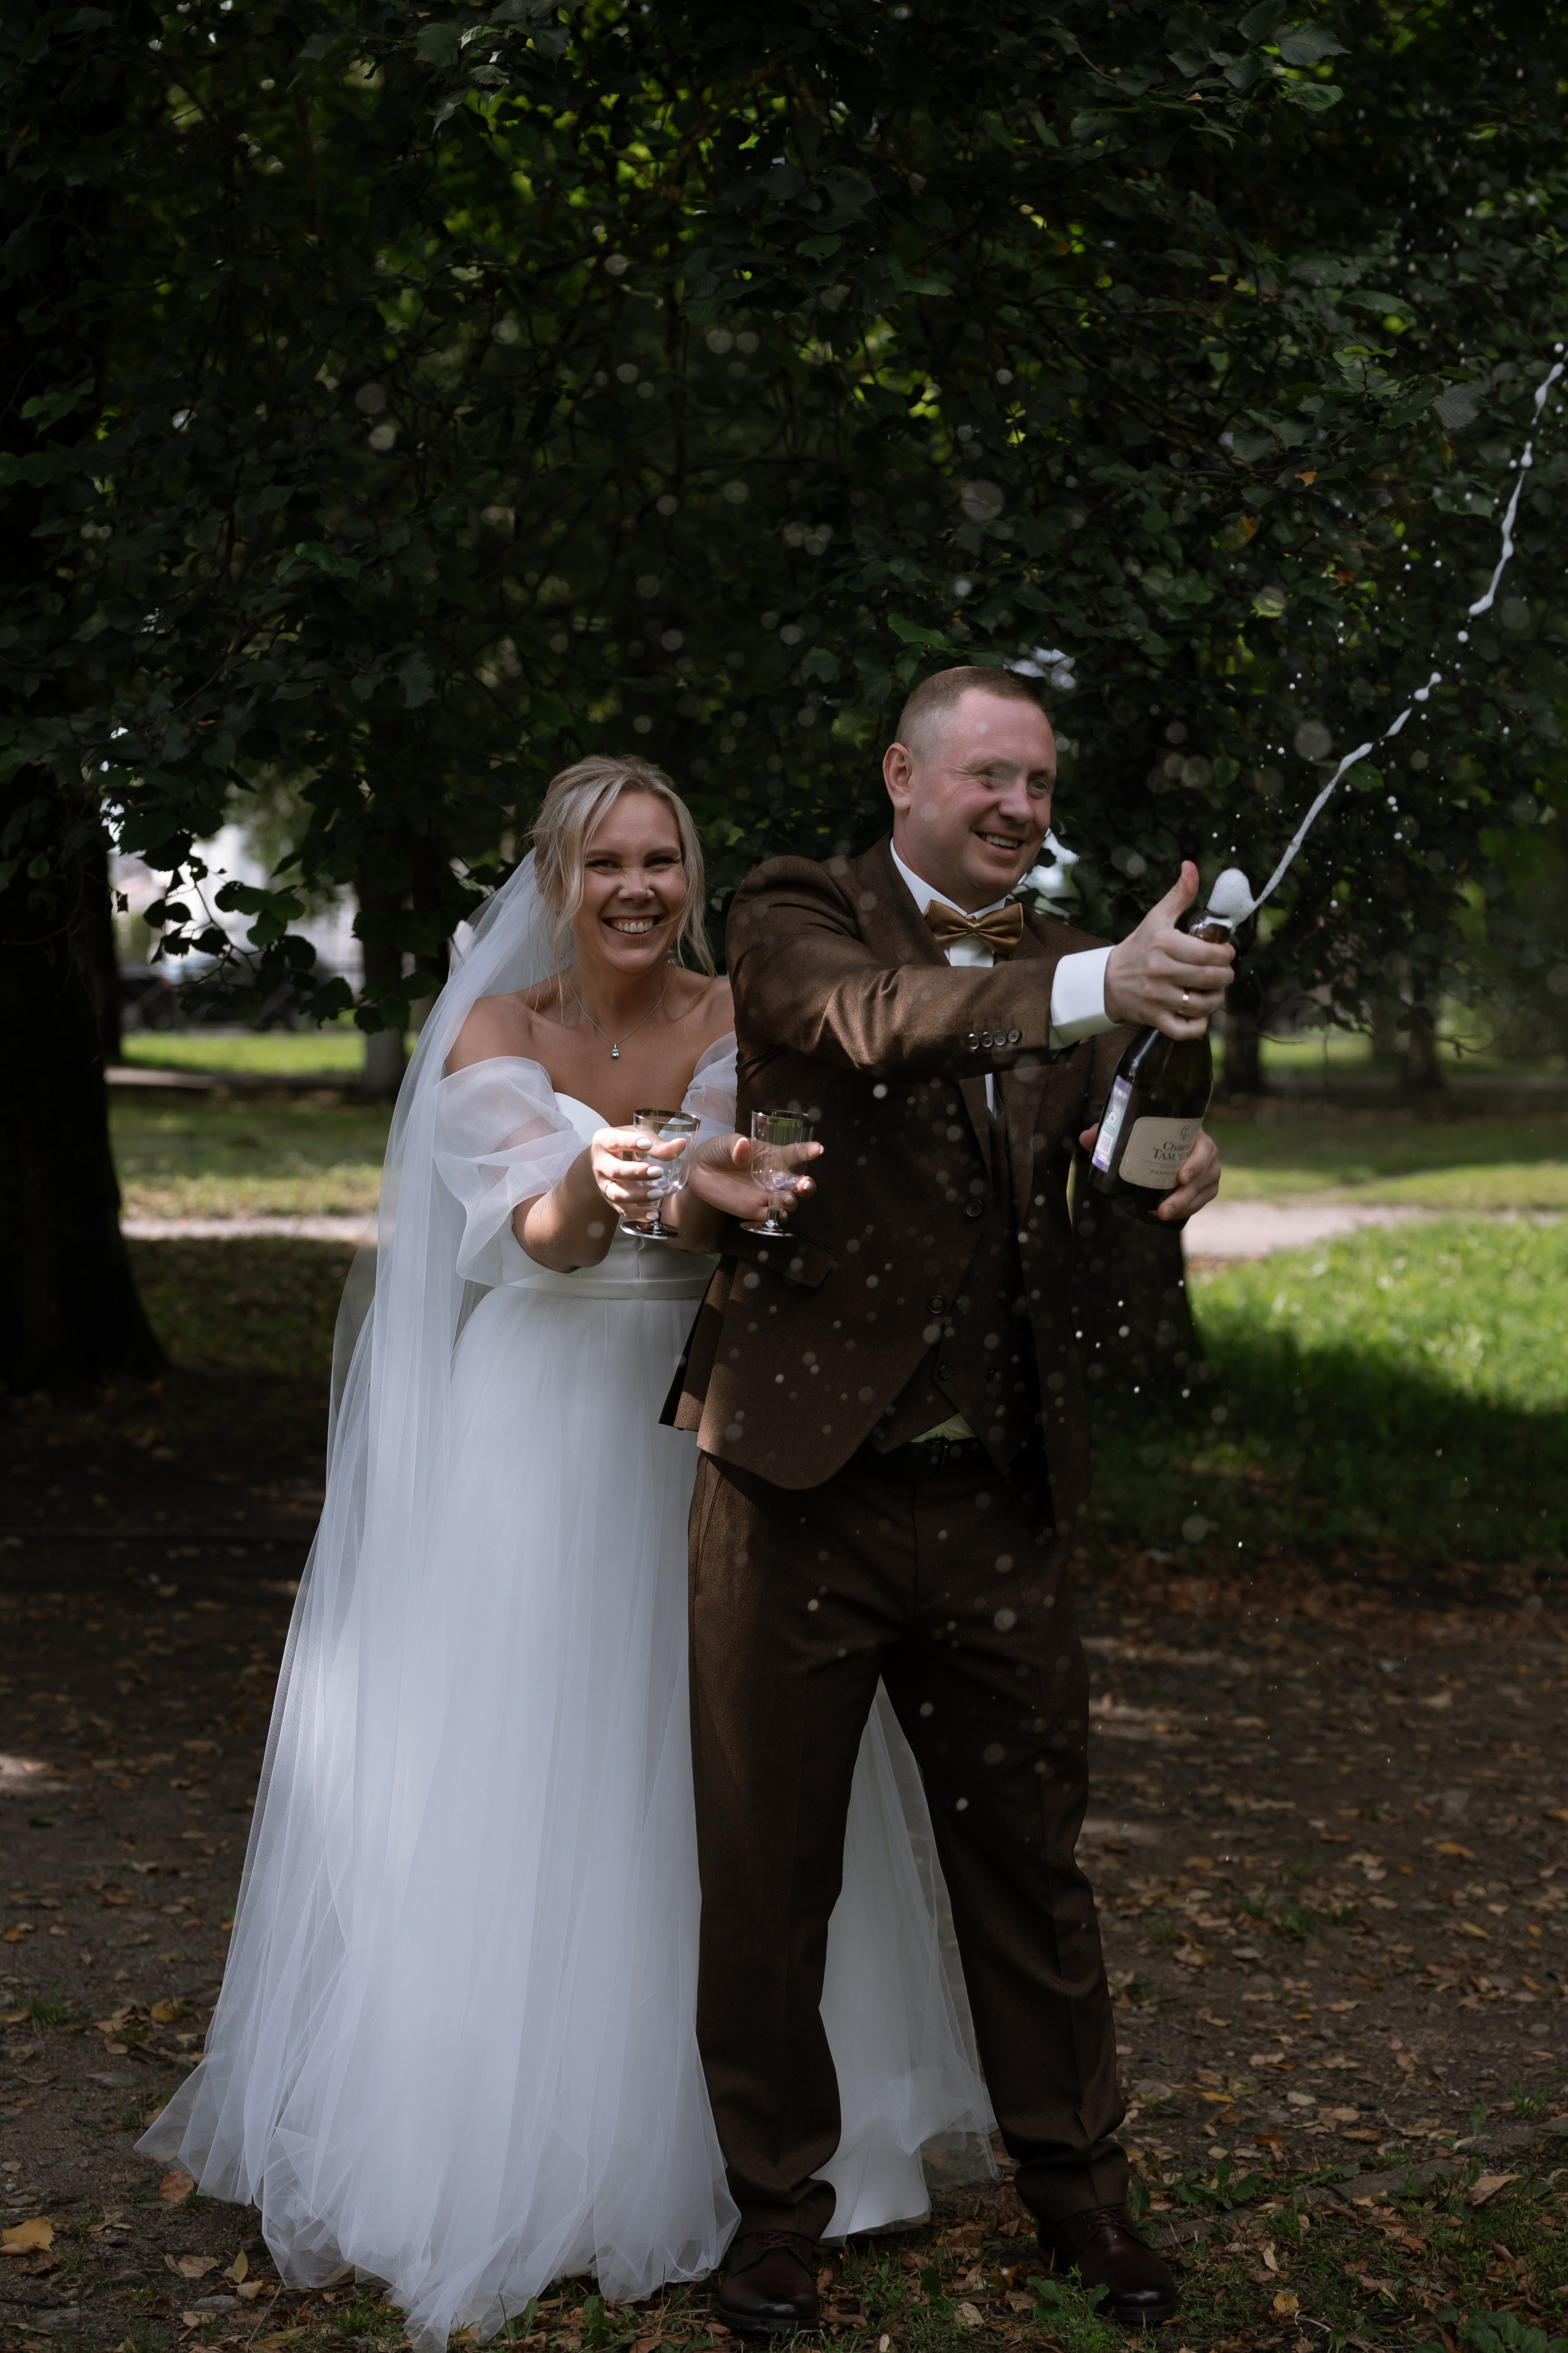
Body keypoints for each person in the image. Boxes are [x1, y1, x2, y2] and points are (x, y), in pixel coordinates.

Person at [140, 755, 993, 2351]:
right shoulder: (497, 1040)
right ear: (556, 874)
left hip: (708, 1435)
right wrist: (599, 1189)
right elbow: (539, 1230)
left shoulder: (743, 1024)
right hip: (536, 1435)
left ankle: (768, 2151)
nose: (638, 887)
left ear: (692, 871)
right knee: (534, 1762)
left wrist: (712, 1190)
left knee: (724, 1767)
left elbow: (772, 1195)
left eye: (662, 857)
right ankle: (525, 2143)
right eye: (607, 860)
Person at [666, 667, 1232, 2334]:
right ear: (905, 773)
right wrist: (1084, 981)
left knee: (1034, 1863)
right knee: (770, 1870)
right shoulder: (793, 913)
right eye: (990, 773)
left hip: (999, 1491)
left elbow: (1097, 1149)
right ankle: (775, 2211)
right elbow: (869, 1024)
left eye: (1042, 781)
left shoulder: (1065, 962)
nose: (1019, 804)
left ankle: (1084, 2195)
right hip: (792, 1489)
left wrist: (1173, 1170)